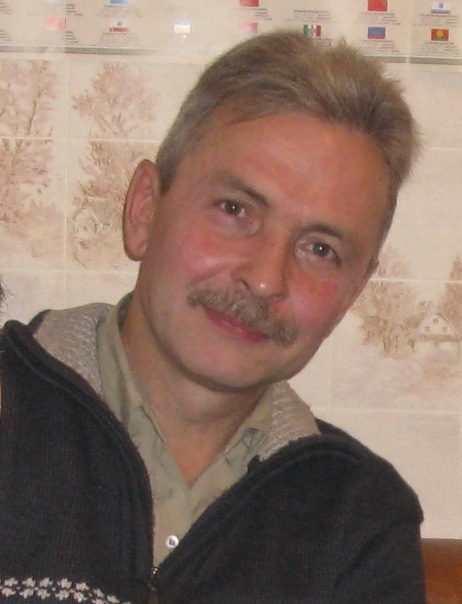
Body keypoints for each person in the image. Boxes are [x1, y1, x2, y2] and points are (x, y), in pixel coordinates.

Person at [0, 31, 425, 604]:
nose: (266, 279)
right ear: (145, 210)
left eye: (321, 249)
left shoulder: (360, 519)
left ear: (355, 291)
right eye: (235, 209)